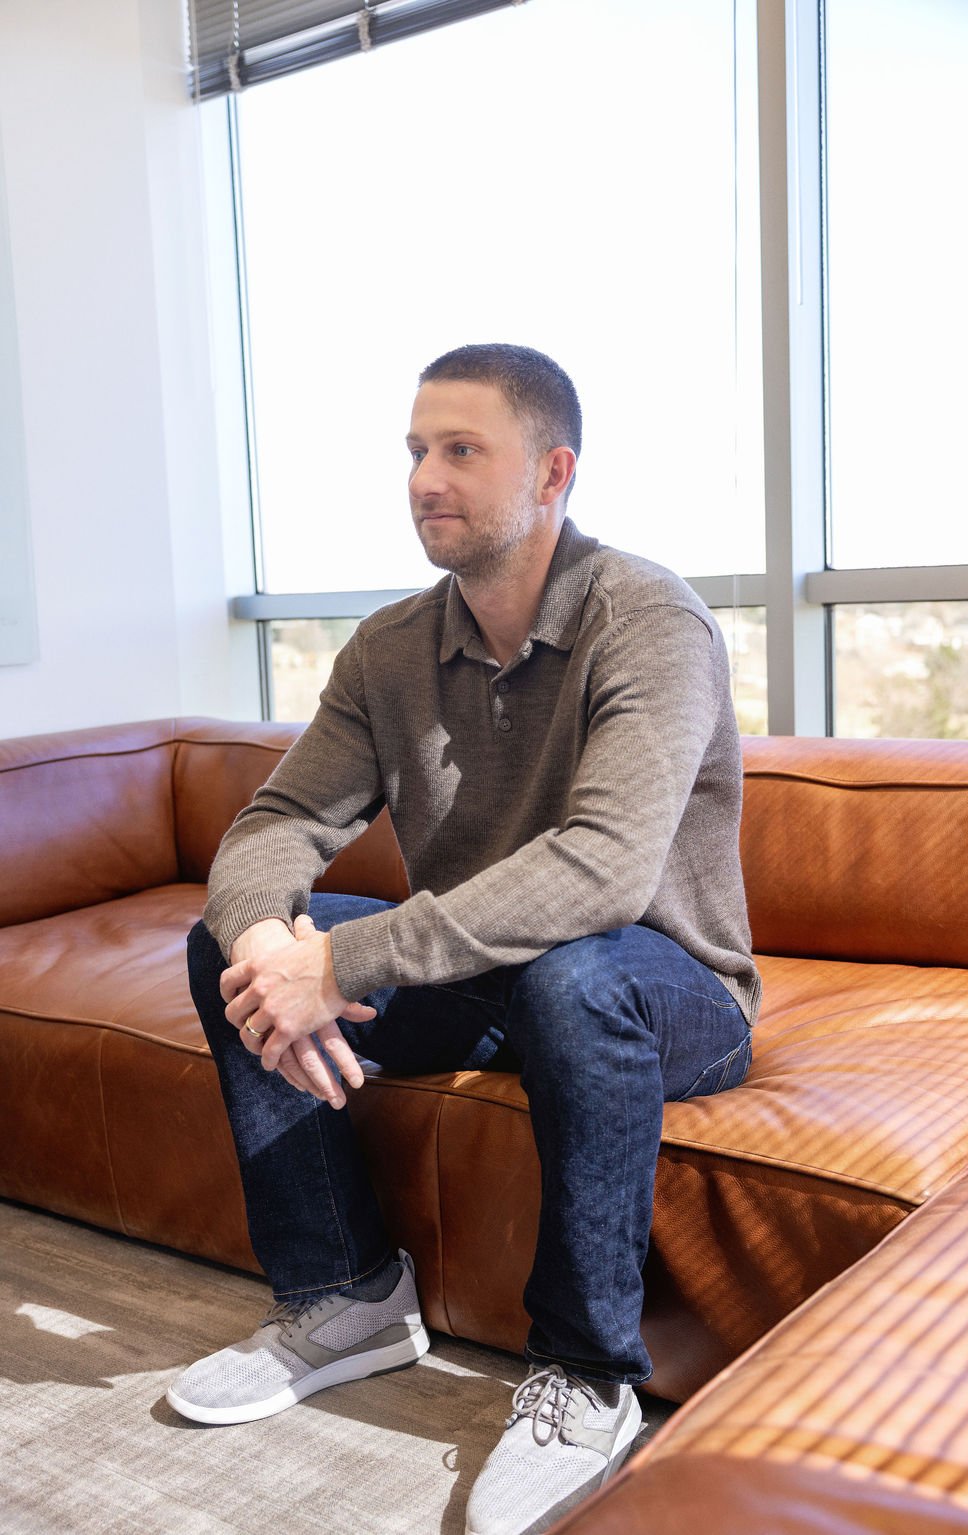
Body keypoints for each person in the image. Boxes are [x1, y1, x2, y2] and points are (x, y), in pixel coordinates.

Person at [167, 343, 761, 1535]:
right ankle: (346, 1294)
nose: (423, 477)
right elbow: (277, 821)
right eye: (414, 450)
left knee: (573, 970)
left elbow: (602, 869)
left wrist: (341, 962)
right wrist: (276, 942)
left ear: (553, 472)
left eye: (459, 450)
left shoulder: (646, 618)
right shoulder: (390, 649)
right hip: (492, 972)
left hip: (663, 981)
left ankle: (587, 1374)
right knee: (223, 938)